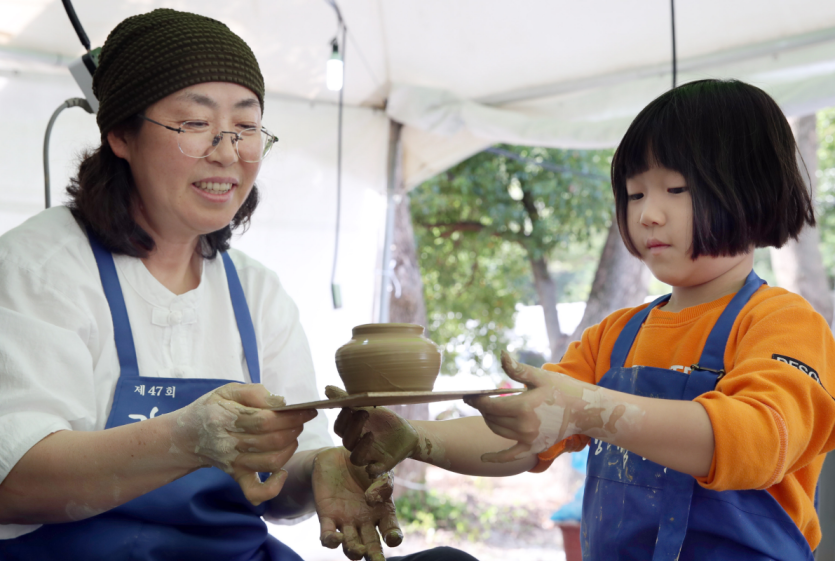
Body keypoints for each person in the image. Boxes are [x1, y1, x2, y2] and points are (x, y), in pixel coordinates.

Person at [0, 9, 478, 561]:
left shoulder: (255, 292)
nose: (228, 152)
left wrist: (324, 469)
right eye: (194, 124)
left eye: (246, 127)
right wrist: (184, 438)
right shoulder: (40, 267)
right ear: (120, 135)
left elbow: (280, 483)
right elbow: (13, 480)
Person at [331, 79, 835, 560]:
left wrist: (590, 410)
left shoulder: (783, 323)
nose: (648, 215)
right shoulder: (613, 339)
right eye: (635, 194)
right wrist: (420, 440)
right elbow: (528, 434)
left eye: (675, 189)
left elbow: (757, 441)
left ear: (751, 188)